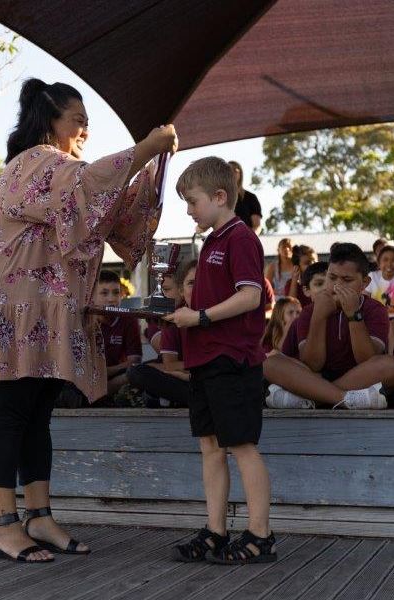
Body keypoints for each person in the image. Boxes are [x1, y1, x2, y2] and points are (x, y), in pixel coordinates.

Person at [0, 78, 178, 563]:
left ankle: (39, 516)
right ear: (50, 122)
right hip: (5, 307)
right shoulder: (35, 163)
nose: (85, 129)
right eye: (78, 120)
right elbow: (89, 188)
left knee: (37, 414)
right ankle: (2, 524)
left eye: (88, 121)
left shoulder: (62, 170)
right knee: (7, 413)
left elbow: (107, 213)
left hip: (43, 310)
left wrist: (153, 164)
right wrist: (144, 148)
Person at [166, 157, 275, 565]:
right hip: (205, 359)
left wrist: (201, 317)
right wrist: (179, 305)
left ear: (219, 196)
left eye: (192, 202)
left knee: (242, 446)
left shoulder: (240, 237)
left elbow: (252, 297)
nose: (189, 210)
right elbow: (209, 300)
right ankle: (216, 531)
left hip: (233, 359)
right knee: (210, 446)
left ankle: (261, 535)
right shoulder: (211, 241)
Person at [264, 244, 392, 409]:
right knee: (269, 363)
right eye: (331, 278)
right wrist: (319, 316)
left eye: (347, 280)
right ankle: (345, 398)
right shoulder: (310, 311)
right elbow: (312, 363)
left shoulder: (375, 309)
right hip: (314, 376)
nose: (336, 286)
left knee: (390, 365)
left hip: (361, 378)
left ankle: (313, 398)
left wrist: (354, 315)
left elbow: (367, 360)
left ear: (364, 283)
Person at [127, 259, 197, 408]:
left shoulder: (220, 315)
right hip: (190, 379)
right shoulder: (171, 319)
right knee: (137, 372)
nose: (197, 289)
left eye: (203, 282)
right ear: (182, 290)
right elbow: (170, 365)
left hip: (217, 382)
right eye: (191, 283)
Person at [93, 270, 142, 404]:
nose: (111, 299)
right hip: (89, 378)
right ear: (92, 297)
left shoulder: (129, 320)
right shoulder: (85, 320)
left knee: (135, 373)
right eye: (104, 293)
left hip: (116, 379)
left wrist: (107, 371)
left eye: (116, 293)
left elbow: (134, 361)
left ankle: (97, 397)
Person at [365, 244, 394, 354]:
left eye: (393, 260)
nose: (389, 264)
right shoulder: (372, 277)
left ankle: (390, 356)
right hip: (377, 317)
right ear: (379, 263)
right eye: (385, 260)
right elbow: (364, 298)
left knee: (392, 325)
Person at [228, 161, 262, 234]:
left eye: (235, 170)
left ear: (240, 174)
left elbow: (256, 226)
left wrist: (248, 240)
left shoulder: (250, 197)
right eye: (228, 170)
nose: (232, 173)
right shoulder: (218, 198)